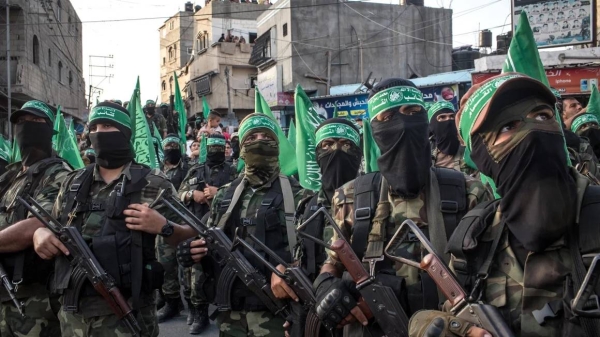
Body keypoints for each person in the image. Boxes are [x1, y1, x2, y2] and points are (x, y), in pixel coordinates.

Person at [410, 72, 600, 337]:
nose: (533, 130)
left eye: (543, 116)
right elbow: (448, 313)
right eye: (507, 127)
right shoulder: (475, 241)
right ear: (482, 156)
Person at [313, 78, 491, 336]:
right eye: (386, 117)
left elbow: (491, 275)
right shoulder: (350, 197)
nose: (402, 123)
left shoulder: (469, 192)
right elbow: (333, 263)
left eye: (412, 112)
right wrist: (326, 284)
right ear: (375, 130)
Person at [31, 102, 196, 336]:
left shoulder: (154, 183)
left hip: (128, 313)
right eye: (94, 127)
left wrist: (164, 227)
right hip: (72, 315)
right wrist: (40, 233)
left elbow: (192, 235)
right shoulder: (73, 182)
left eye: (107, 126)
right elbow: (49, 224)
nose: (99, 133)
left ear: (125, 132)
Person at [180, 113, 304, 336]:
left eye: (265, 137)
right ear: (242, 147)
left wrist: (291, 267)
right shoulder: (225, 196)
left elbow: (313, 255)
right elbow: (211, 243)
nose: (258, 141)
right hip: (231, 315)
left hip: (277, 315)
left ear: (277, 144)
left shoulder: (299, 196)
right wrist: (193, 252)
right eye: (250, 137)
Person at [0, 100, 72, 336]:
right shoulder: (11, 175)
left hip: (34, 300)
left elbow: (37, 224)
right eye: (21, 122)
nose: (26, 126)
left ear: (49, 130)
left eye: (35, 122)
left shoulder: (60, 174)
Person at [177, 133, 236, 334]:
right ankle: (198, 313)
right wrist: (192, 194)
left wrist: (217, 192)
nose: (217, 152)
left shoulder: (233, 171)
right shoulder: (195, 170)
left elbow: (243, 193)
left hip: (223, 229)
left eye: (221, 148)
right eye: (213, 148)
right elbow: (178, 194)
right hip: (195, 225)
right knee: (194, 274)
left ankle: (225, 311)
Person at [295, 118, 362, 281]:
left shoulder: (373, 198)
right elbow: (301, 256)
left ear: (358, 154)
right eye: (327, 144)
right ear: (318, 154)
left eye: (346, 144)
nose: (336, 150)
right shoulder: (307, 206)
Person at [155, 135, 189, 323]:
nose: (171, 148)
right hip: (161, 221)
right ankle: (170, 300)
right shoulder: (156, 168)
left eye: (175, 145)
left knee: (186, 266)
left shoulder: (188, 168)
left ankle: (191, 304)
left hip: (185, 222)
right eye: (168, 145)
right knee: (164, 264)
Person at [428, 101, 474, 175]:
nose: (448, 120)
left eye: (452, 116)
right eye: (442, 117)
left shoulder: (469, 148)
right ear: (433, 124)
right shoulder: (426, 152)